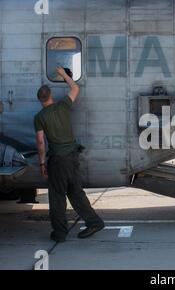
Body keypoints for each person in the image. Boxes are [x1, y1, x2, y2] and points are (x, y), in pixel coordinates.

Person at [34, 66, 104, 242]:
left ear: (39, 100)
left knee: (57, 197)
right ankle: (94, 222)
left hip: (57, 160)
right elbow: (75, 88)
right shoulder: (63, 105)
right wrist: (64, 74)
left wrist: (42, 164)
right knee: (76, 192)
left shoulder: (39, 117)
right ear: (50, 96)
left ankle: (60, 233)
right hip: (72, 157)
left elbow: (41, 143)